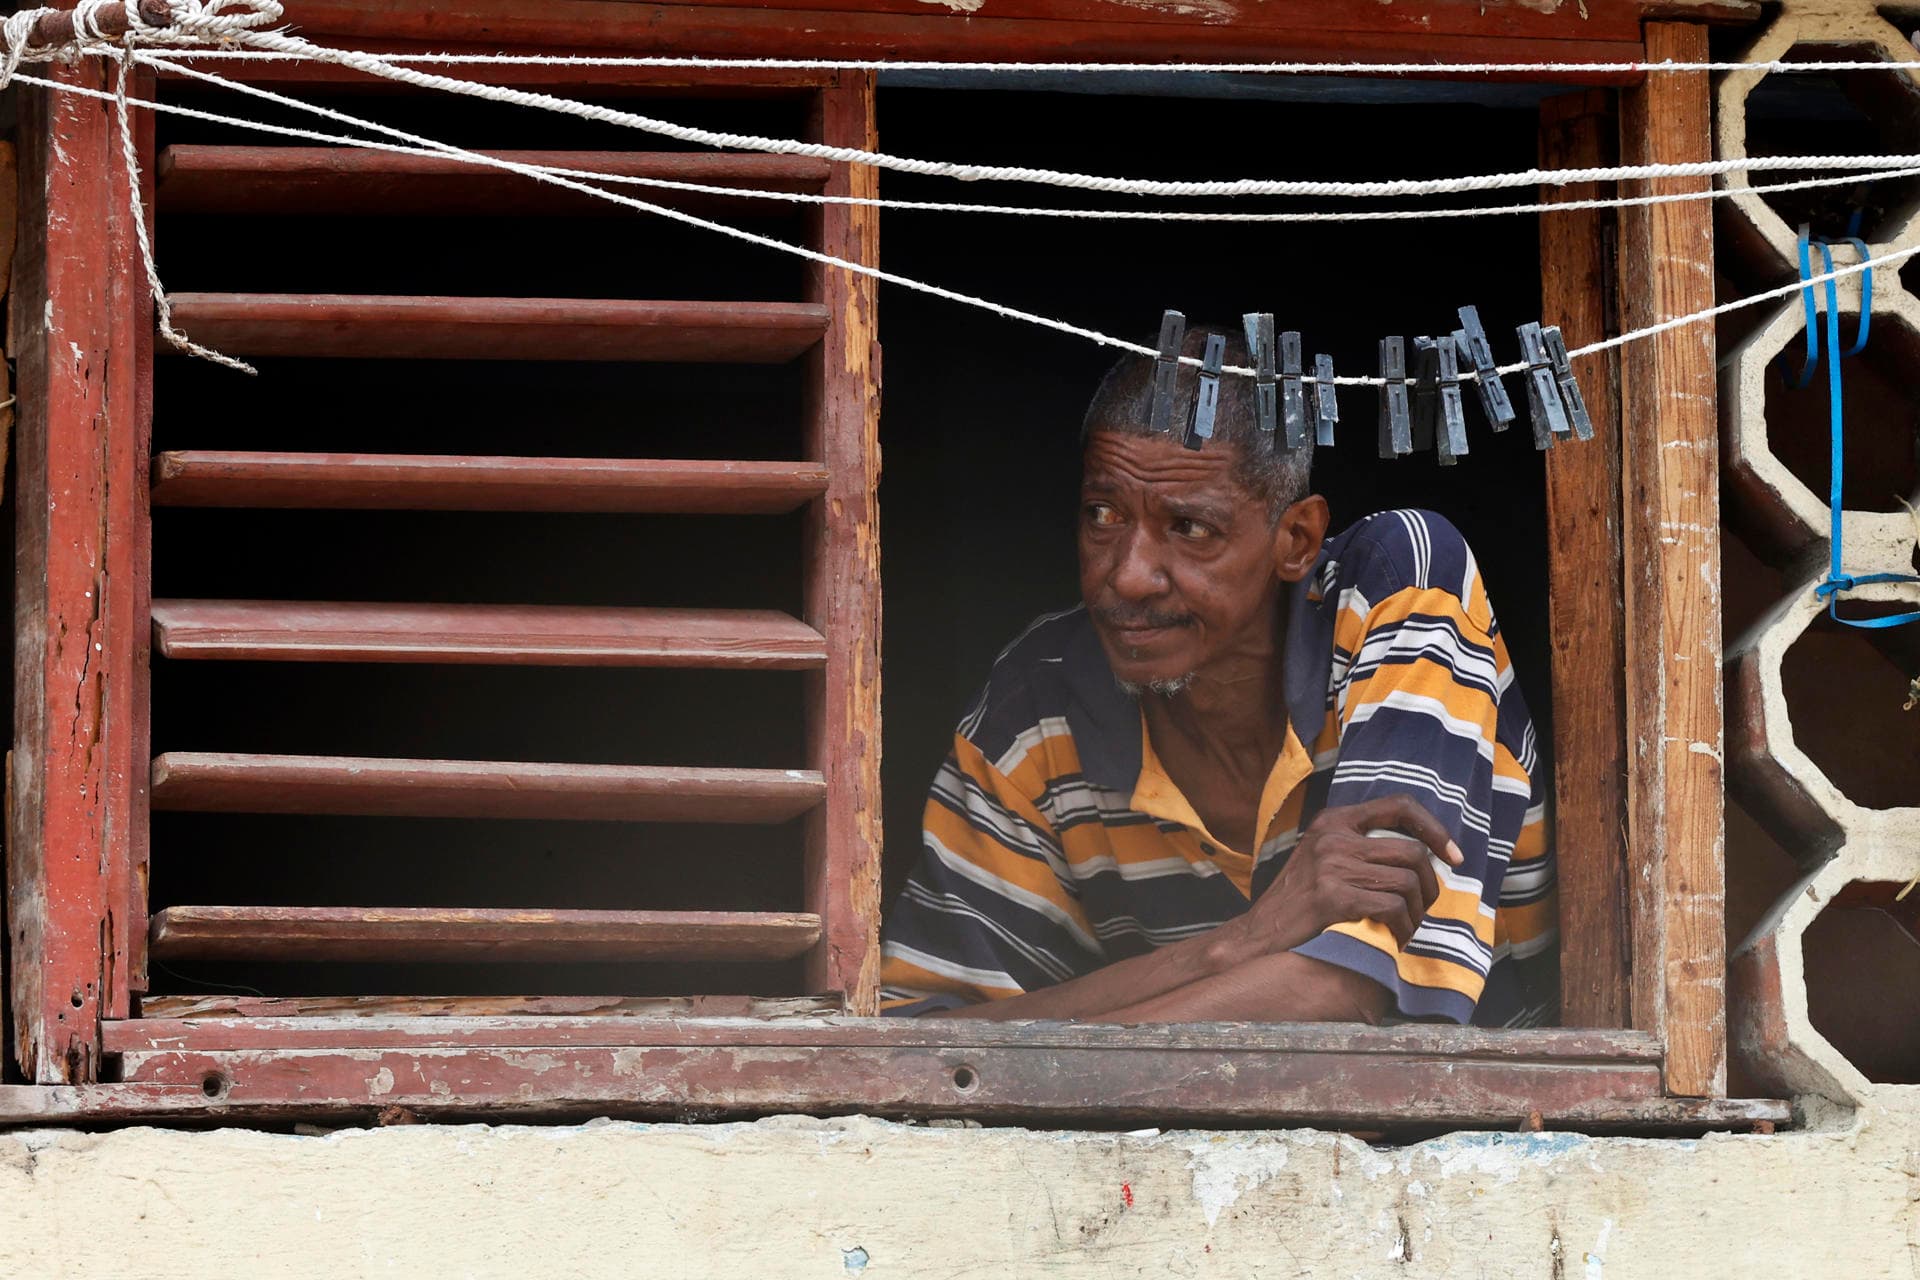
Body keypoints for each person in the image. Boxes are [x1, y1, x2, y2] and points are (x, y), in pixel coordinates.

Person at [879, 323, 1557, 1025]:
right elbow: (921, 1045)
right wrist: (1241, 943)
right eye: (1103, 515)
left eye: (1190, 528)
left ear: (1295, 541)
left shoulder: (1397, 589)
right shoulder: (1037, 706)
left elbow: (1351, 998)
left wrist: (1047, 1048)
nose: (1128, 575)